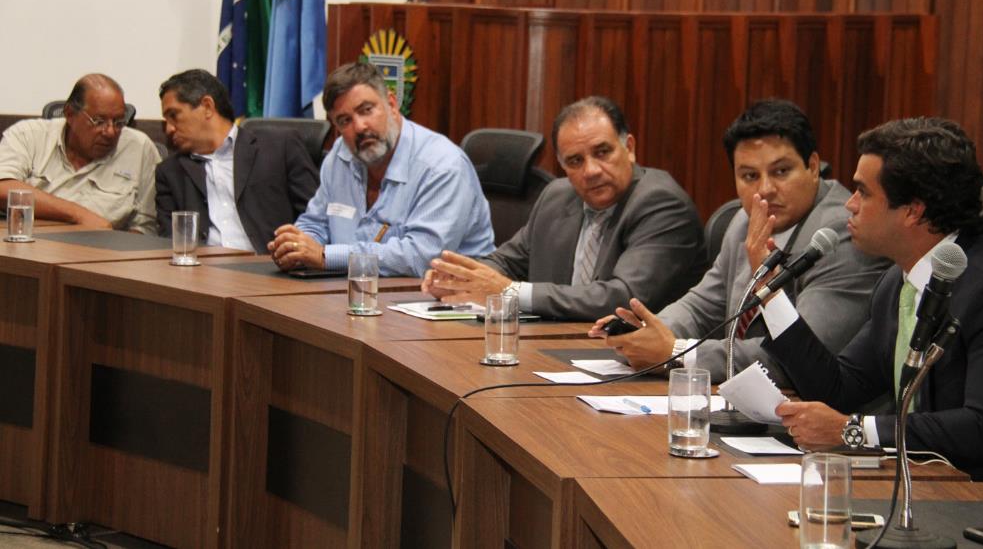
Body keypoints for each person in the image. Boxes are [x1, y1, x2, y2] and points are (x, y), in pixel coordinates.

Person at [764, 118, 983, 491]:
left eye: (863, 192)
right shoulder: (896, 282)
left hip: (982, 501)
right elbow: (840, 388)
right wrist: (771, 296)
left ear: (912, 211)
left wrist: (854, 429)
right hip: (915, 488)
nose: (850, 205)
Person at [589, 100, 888, 383]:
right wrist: (646, 332)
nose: (765, 189)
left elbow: (800, 357)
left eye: (781, 171)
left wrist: (676, 353)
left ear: (812, 166)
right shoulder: (745, 220)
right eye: (749, 176)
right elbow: (701, 307)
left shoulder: (839, 235)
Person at [422, 96, 707, 320]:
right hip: (558, 347)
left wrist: (510, 292)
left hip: (636, 361)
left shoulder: (660, 203)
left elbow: (623, 297)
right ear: (562, 166)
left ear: (629, 148)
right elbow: (507, 262)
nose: (591, 170)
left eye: (602, 152)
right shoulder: (557, 196)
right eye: (575, 161)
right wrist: (459, 280)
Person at [268, 61, 493, 276]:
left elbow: (422, 257)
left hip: (445, 296)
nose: (359, 127)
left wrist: (326, 256)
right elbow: (317, 223)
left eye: (366, 110)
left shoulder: (441, 165)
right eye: (345, 120)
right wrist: (296, 247)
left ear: (392, 105)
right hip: (355, 291)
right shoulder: (340, 156)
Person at [155, 69, 319, 253]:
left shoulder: (279, 147)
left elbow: (316, 218)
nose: (169, 129)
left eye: (174, 115)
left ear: (207, 106)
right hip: (201, 267)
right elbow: (169, 241)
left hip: (269, 263)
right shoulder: (170, 172)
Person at [0, 73, 159, 233]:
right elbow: (3, 187)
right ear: (70, 114)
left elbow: (145, 227)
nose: (110, 132)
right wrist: (78, 214)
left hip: (103, 245)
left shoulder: (139, 148)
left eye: (119, 122)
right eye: (99, 121)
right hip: (30, 241)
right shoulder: (28, 135)